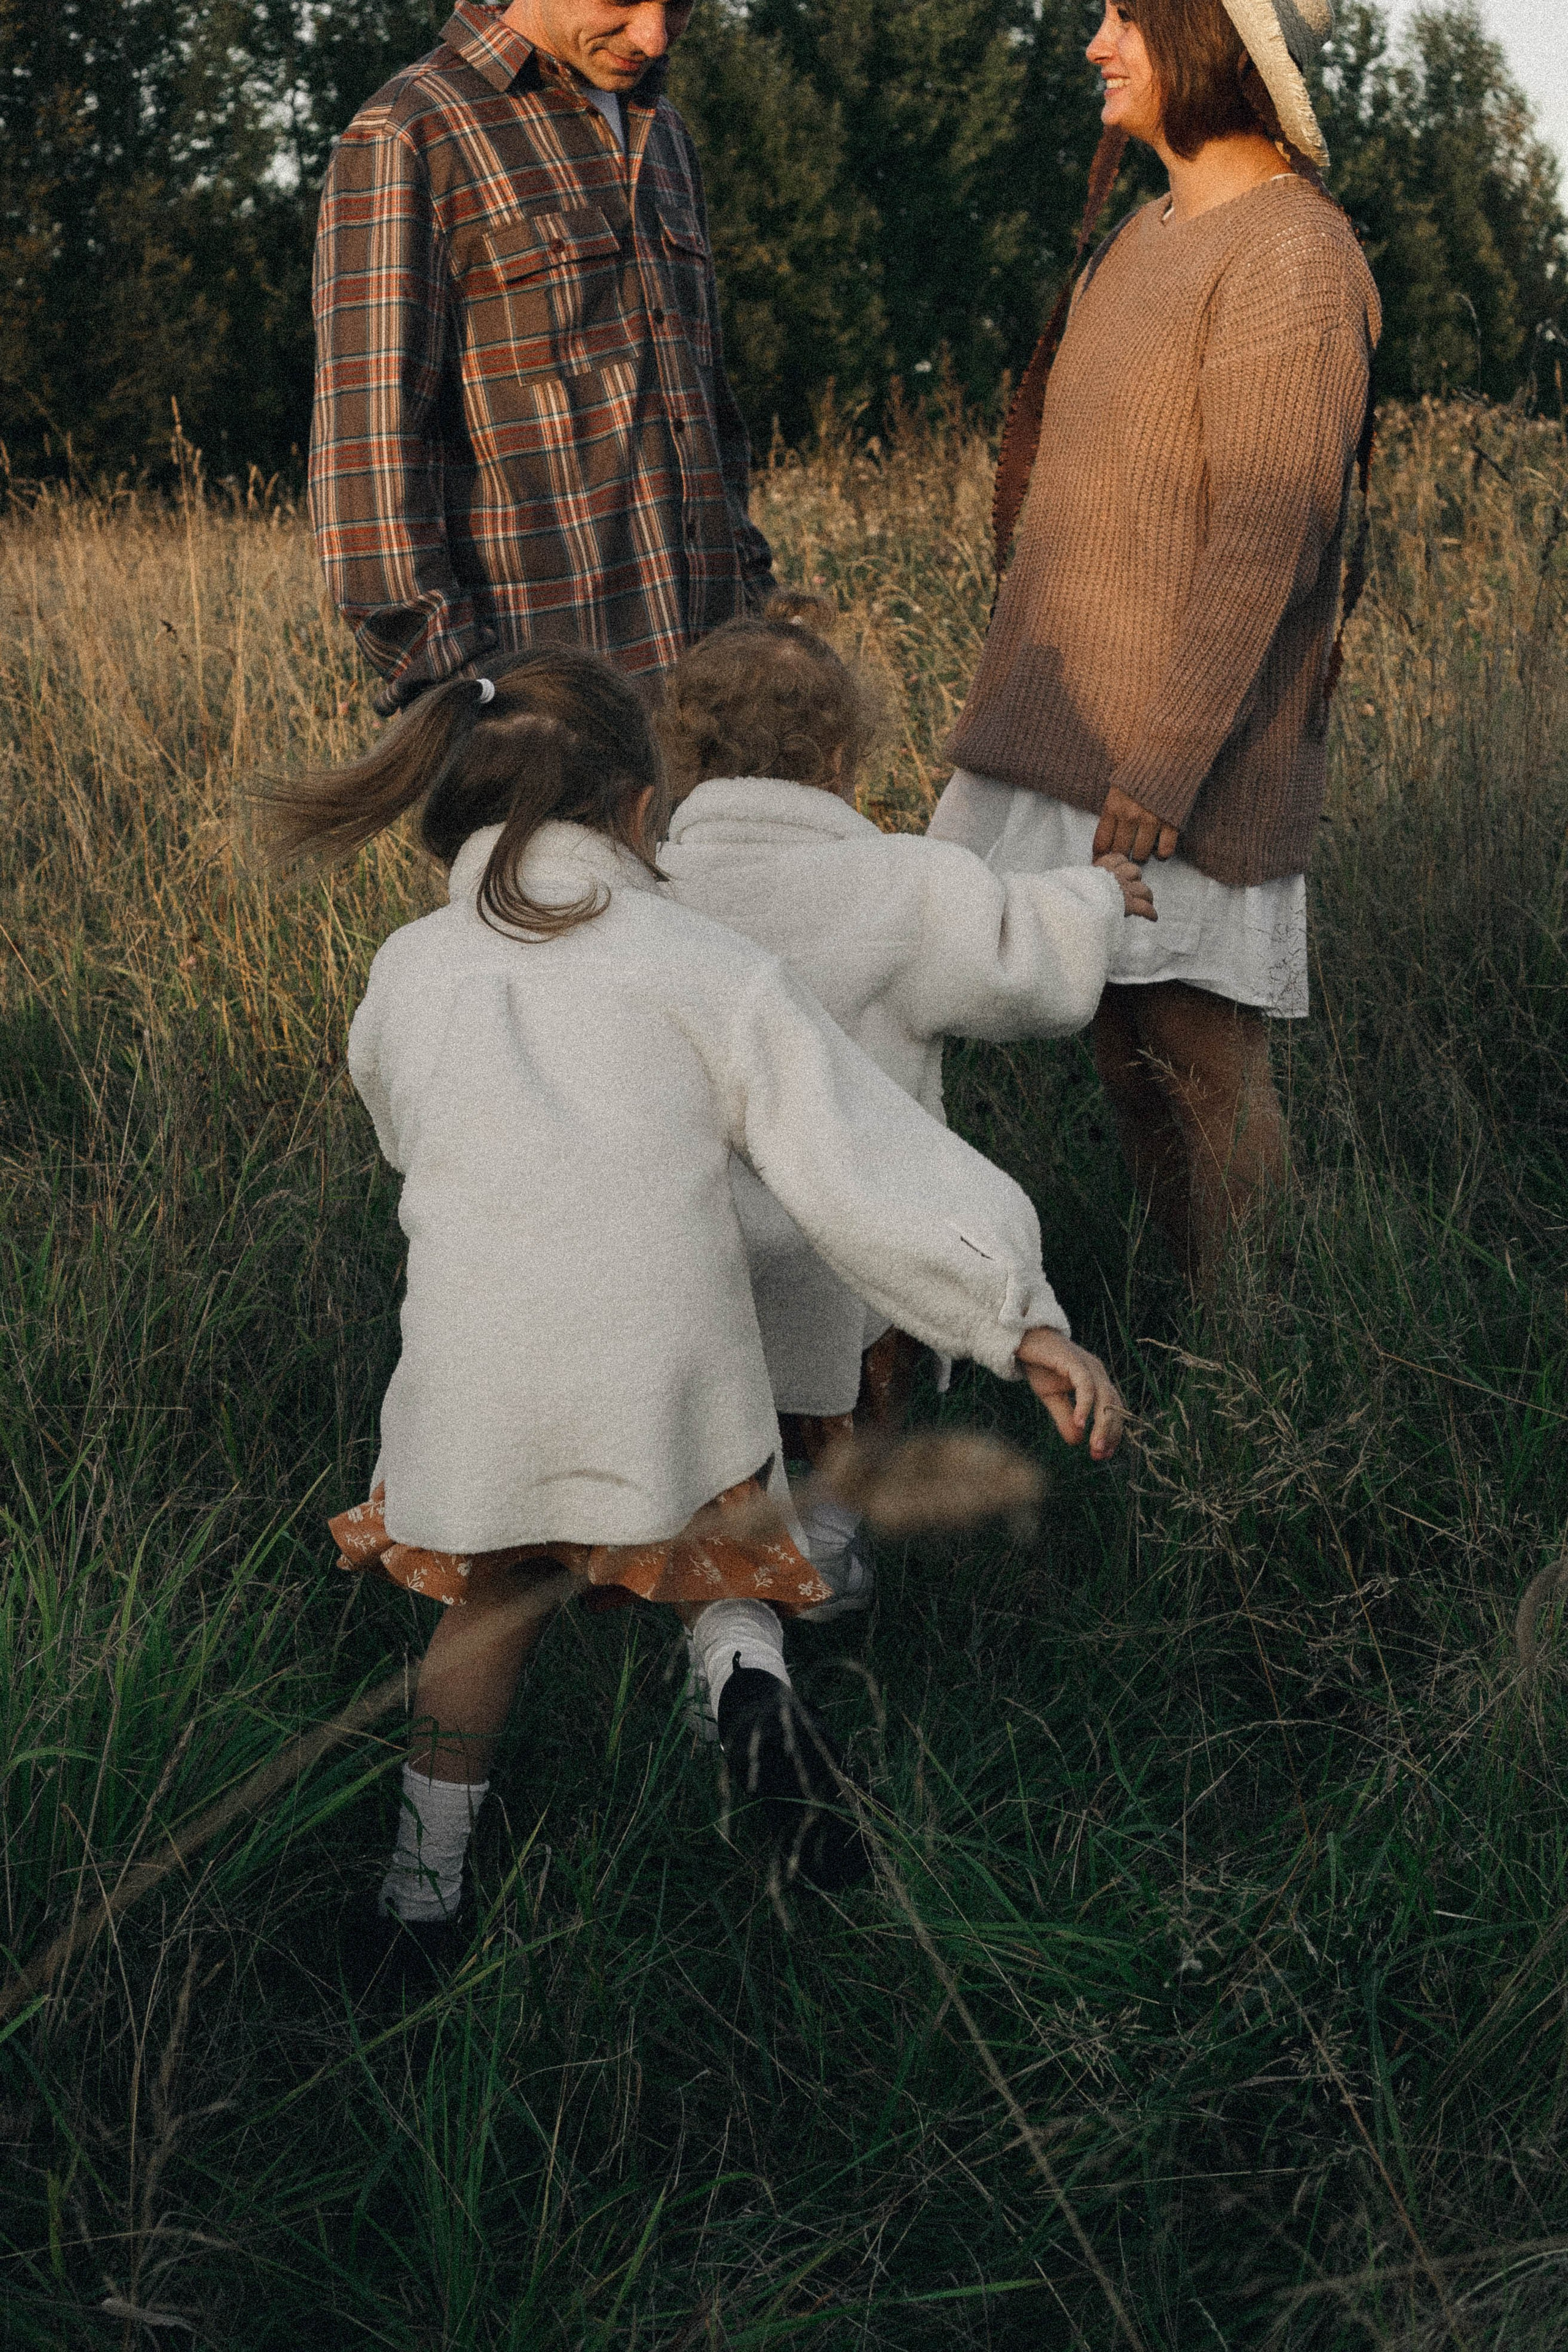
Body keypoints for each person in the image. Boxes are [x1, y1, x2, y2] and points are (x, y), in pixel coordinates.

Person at [265, 649, 1125, 1972]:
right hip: (663, 1354)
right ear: (634, 809)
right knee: (717, 1570)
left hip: (476, 1365)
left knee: (481, 1618)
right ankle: (747, 1701)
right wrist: (1011, 1315)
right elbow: (853, 1158)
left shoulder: (408, 972)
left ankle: (418, 1895)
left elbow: (400, 1133)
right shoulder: (701, 963)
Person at [930, 0, 1379, 1278]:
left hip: (1178, 760)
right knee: (1126, 1065)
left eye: (1127, 15)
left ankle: (1256, 1384)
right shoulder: (1143, 233)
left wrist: (1164, 764)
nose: (1095, 43)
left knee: (1199, 1066)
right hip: (1073, 748)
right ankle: (1187, 1341)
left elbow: (1268, 534)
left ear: (1204, 38)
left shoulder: (1290, 254)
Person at [657, 597, 1153, 1625]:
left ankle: (739, 1567)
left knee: (731, 1400)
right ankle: (832, 1553)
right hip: (856, 1225)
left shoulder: (653, 887)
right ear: (841, 754)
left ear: (687, 749)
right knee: (852, 1371)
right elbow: (1024, 967)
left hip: (692, 1230)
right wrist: (1097, 895)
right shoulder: (901, 883)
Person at [309, 0, 773, 717]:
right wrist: (462, 694)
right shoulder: (409, 132)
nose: (653, 35)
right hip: (543, 720)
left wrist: (755, 612)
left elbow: (707, 408)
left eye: (679, 4)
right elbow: (367, 453)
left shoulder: (665, 131)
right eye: (622, 0)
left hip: (715, 698)